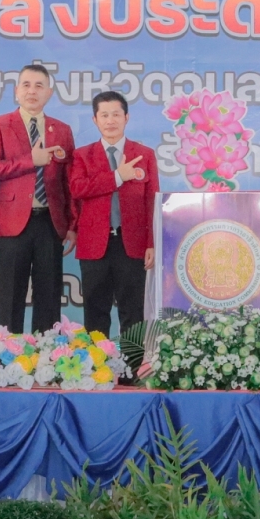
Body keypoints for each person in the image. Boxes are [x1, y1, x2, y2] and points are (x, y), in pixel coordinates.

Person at [0, 63, 77, 333]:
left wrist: (72, 225)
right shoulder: (0, 124)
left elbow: (69, 183)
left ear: (49, 93)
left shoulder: (62, 129)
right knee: (10, 295)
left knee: (49, 295)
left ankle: (46, 352)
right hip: (13, 221)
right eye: (26, 85)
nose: (32, 91)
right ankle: (8, 352)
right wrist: (29, 161)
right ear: (16, 91)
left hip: (50, 222)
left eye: (38, 86)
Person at [67, 91, 157, 344]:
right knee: (95, 311)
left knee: (133, 311)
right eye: (104, 115)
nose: (110, 120)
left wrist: (151, 243)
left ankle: (133, 365)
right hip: (94, 243)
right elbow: (77, 189)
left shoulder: (145, 154)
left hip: (132, 244)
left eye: (116, 114)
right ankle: (97, 364)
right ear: (95, 120)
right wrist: (118, 176)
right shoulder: (82, 155)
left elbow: (152, 201)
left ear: (126, 117)